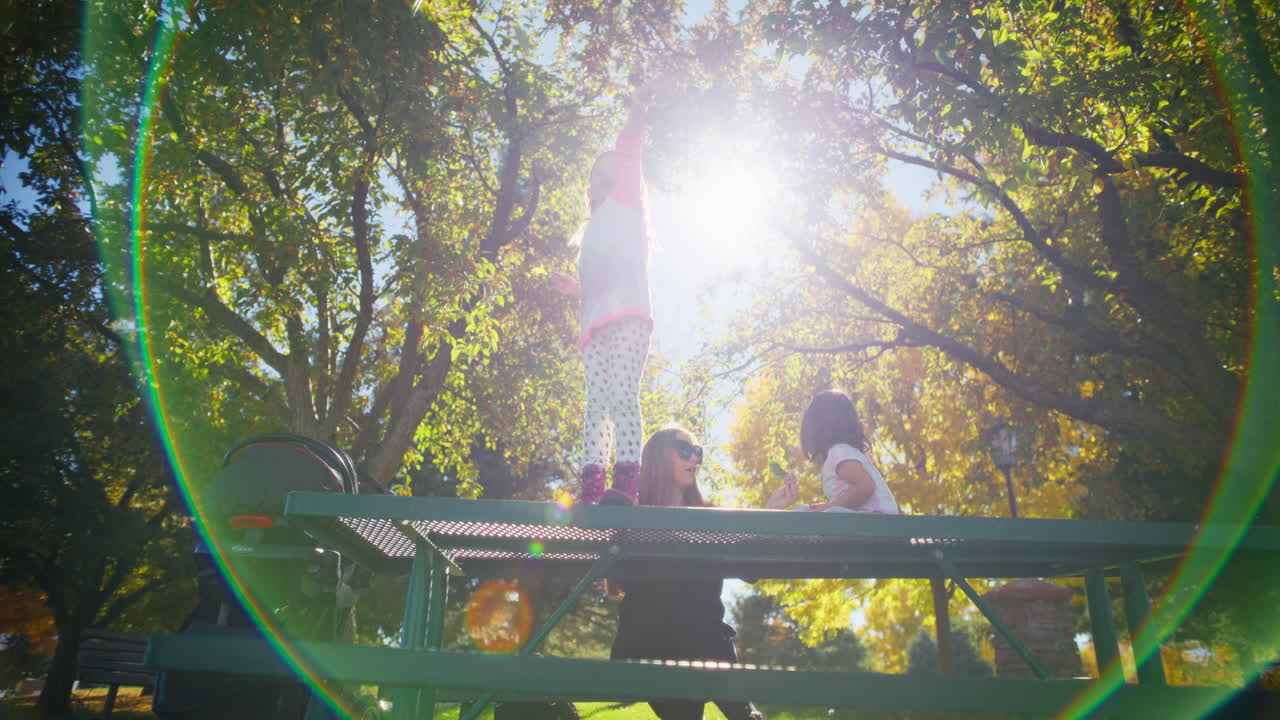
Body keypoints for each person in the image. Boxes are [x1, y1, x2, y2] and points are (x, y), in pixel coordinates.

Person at [609, 426, 783, 720]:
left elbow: (750, 569)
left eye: (697, 452)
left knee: (704, 634)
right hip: (652, 647)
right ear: (659, 457)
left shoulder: (709, 517)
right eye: (684, 450)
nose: (695, 459)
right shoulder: (633, 516)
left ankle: (744, 711)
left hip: (704, 644)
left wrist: (770, 513)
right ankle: (743, 711)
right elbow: (610, 508)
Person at [555, 77, 667, 506]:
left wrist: (639, 106)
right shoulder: (589, 235)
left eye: (611, 172)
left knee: (621, 395)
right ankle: (591, 488)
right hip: (595, 327)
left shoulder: (628, 205)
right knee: (594, 406)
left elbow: (629, 148)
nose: (604, 177)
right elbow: (598, 287)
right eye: (596, 176)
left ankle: (626, 484)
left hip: (630, 319)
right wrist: (575, 290)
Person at [771, 390, 899, 514]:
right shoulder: (842, 453)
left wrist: (831, 506)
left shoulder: (839, 452)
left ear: (817, 428)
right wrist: (828, 506)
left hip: (876, 518)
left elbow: (865, 486)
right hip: (868, 519)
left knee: (805, 512)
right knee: (806, 510)